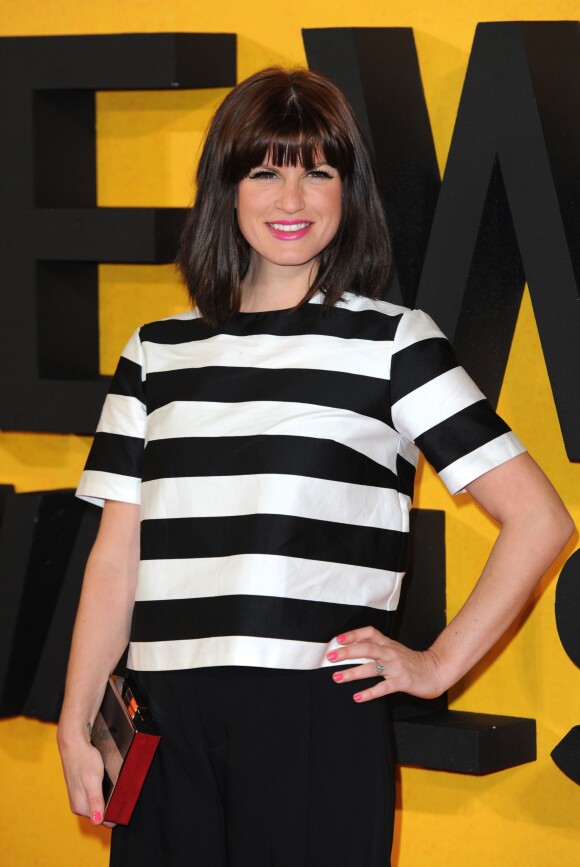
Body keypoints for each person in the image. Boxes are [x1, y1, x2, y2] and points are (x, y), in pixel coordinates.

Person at [57, 67, 573, 867]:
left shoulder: (395, 343)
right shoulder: (156, 351)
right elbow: (116, 558)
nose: (291, 200)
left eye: (317, 172)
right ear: (226, 187)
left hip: (312, 718)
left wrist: (435, 665)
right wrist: (76, 716)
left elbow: (541, 520)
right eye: (265, 171)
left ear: (348, 190)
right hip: (161, 719)